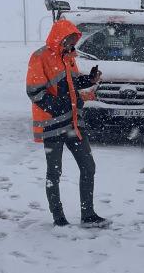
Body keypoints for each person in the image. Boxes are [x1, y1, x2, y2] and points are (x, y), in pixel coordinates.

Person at [26, 18, 106, 227]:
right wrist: (61, 105)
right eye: (69, 40)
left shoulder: (69, 57)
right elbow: (34, 92)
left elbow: (72, 82)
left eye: (73, 40)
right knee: (54, 172)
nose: (72, 44)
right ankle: (58, 217)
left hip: (73, 124)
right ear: (59, 37)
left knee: (88, 166)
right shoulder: (39, 57)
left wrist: (89, 79)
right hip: (52, 126)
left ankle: (88, 215)